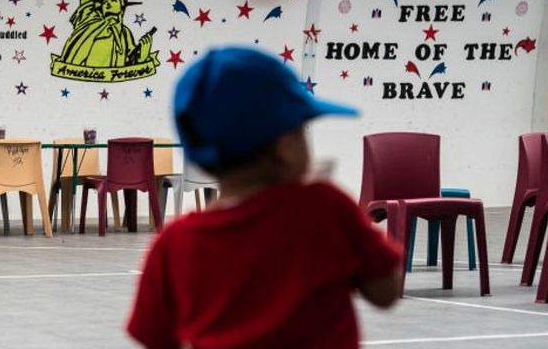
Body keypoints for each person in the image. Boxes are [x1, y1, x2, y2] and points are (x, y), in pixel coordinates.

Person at [127, 46, 403, 348]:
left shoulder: (173, 243)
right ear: (286, 146)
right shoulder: (325, 207)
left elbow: (154, 338)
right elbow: (386, 291)